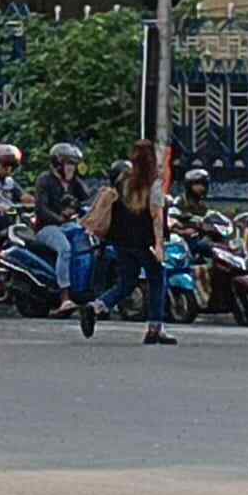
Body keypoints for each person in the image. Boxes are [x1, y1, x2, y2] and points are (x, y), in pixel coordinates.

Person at [83, 139, 177, 346]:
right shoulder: (154, 183)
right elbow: (156, 217)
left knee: (126, 281)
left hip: (121, 239)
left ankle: (97, 305)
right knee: (157, 279)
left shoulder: (123, 179)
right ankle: (155, 327)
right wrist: (160, 245)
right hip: (145, 241)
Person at [33, 142, 88, 315]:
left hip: (69, 225)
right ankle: (65, 298)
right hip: (47, 228)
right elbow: (41, 209)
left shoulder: (74, 184)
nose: (72, 168)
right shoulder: (45, 180)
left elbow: (87, 200)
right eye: (68, 163)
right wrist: (59, 219)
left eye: (74, 164)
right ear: (58, 164)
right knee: (65, 249)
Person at [176, 167, 216, 262]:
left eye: (204, 184)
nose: (202, 188)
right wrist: (184, 231)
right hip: (184, 242)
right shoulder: (179, 202)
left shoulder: (201, 205)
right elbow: (170, 223)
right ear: (189, 185)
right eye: (198, 184)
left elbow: (207, 218)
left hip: (199, 238)